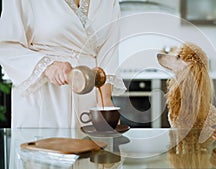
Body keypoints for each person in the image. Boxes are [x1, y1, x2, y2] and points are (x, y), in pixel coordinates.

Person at [0, 0, 126, 128]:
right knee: (46, 146)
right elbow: (5, 45)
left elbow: (108, 51)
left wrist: (105, 102)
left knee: (90, 146)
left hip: (88, 96)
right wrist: (48, 66)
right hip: (44, 96)